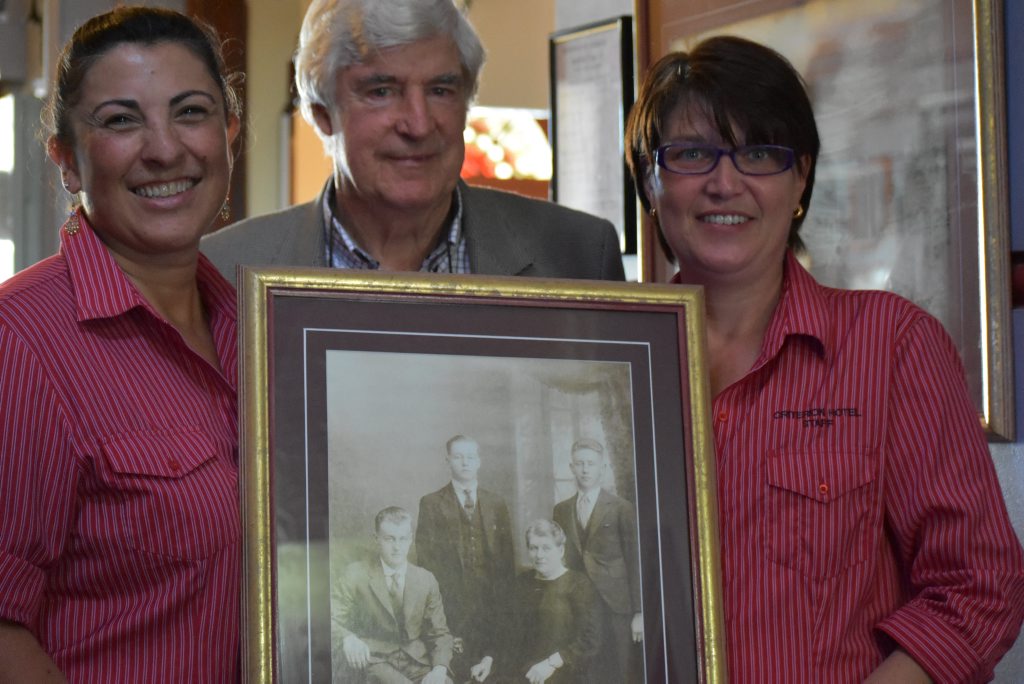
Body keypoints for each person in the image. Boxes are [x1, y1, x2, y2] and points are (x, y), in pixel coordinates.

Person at [624, 35, 1024, 682]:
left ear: (801, 178)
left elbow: (978, 587)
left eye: (759, 153)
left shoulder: (893, 345)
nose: (725, 183)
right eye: (692, 153)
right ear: (650, 179)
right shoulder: (607, 364)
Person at [0, 7, 242, 682]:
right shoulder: (20, 342)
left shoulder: (254, 324)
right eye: (120, 120)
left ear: (229, 134)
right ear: (67, 161)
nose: (164, 149)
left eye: (190, 112)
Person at [200, 0, 625, 283]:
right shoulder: (225, 270)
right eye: (382, 91)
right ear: (322, 114)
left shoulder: (580, 254)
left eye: (441, 90)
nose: (419, 125)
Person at [415, 435, 514, 681]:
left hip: (490, 600)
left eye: (470, 457)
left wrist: (505, 600)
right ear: (447, 461)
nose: (465, 462)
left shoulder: (496, 503)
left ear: (479, 461)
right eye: (458, 457)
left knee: (491, 668)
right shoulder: (431, 503)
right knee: (457, 667)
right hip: (451, 603)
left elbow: (507, 558)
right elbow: (426, 560)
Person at [551, 438, 642, 682]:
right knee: (584, 670)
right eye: (580, 463)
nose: (585, 469)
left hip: (615, 604)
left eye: (591, 464)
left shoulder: (621, 508)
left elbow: (635, 560)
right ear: (571, 467)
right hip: (578, 603)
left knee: (618, 669)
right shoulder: (561, 510)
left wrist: (639, 612)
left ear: (602, 468)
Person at [332, 507, 454, 684]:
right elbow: (329, 620)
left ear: (410, 539)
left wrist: (439, 669)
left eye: (403, 539)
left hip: (416, 662)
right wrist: (347, 638)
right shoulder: (355, 574)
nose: (397, 547)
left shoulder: (425, 579)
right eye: (389, 539)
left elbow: (440, 634)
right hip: (374, 661)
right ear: (376, 539)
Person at [498, 519, 603, 684]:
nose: (539, 555)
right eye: (534, 548)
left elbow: (590, 640)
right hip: (523, 672)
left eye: (546, 548)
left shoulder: (579, 585)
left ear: (560, 550)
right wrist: (489, 659)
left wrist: (551, 664)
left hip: (564, 671)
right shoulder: (522, 582)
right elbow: (507, 632)